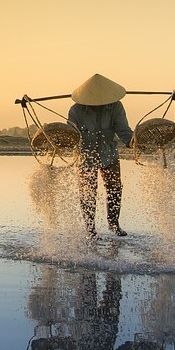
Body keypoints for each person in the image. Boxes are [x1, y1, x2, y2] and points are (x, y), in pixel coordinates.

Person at [67, 74, 133, 240]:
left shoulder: (115, 107)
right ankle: (90, 229)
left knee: (115, 188)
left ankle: (113, 223)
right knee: (88, 192)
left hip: (108, 152)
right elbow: (71, 134)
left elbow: (123, 130)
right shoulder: (76, 110)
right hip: (84, 155)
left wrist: (133, 142)